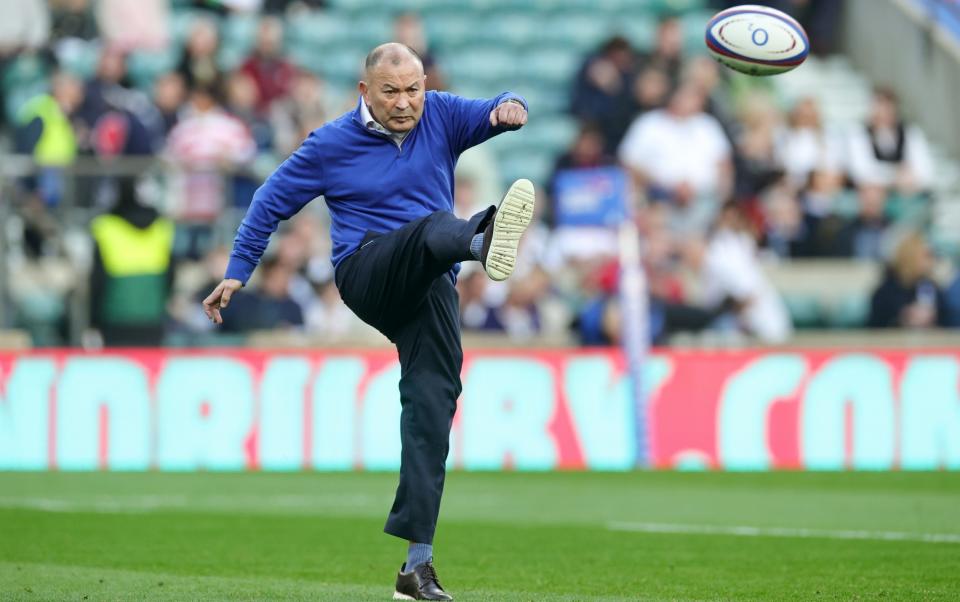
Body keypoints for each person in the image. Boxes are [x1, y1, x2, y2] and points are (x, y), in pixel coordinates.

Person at [202, 43, 532, 601]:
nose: (405, 103)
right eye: (391, 92)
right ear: (364, 92)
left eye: (413, 90)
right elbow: (268, 201)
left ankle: (415, 568)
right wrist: (238, 271)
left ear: (425, 86)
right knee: (433, 226)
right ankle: (482, 237)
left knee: (433, 406)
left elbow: (496, 104)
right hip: (368, 271)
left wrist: (511, 106)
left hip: (430, 283)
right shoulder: (330, 144)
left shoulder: (444, 113)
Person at [868, 233, 948, 329]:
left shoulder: (930, 286)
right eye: (926, 256)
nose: (931, 260)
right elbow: (875, 327)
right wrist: (903, 317)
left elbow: (945, 321)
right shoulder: (886, 291)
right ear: (910, 257)